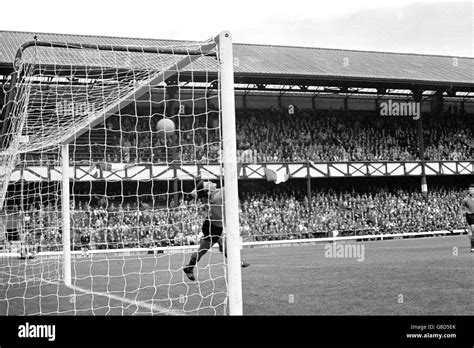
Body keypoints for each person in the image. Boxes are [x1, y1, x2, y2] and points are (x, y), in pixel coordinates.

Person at [183, 180, 249, 281]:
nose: (210, 182)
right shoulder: (219, 196)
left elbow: (193, 193)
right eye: (207, 183)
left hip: (212, 224)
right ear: (208, 191)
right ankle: (189, 267)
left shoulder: (213, 195)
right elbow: (232, 181)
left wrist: (199, 189)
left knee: (224, 247)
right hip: (214, 228)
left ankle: (189, 268)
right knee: (203, 251)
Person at [462, 184, 474, 252]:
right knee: (473, 230)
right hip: (470, 216)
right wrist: (462, 217)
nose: (471, 190)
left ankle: (472, 245)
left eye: (472, 189)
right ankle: (472, 246)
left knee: (472, 232)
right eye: (470, 189)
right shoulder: (466, 199)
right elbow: (462, 208)